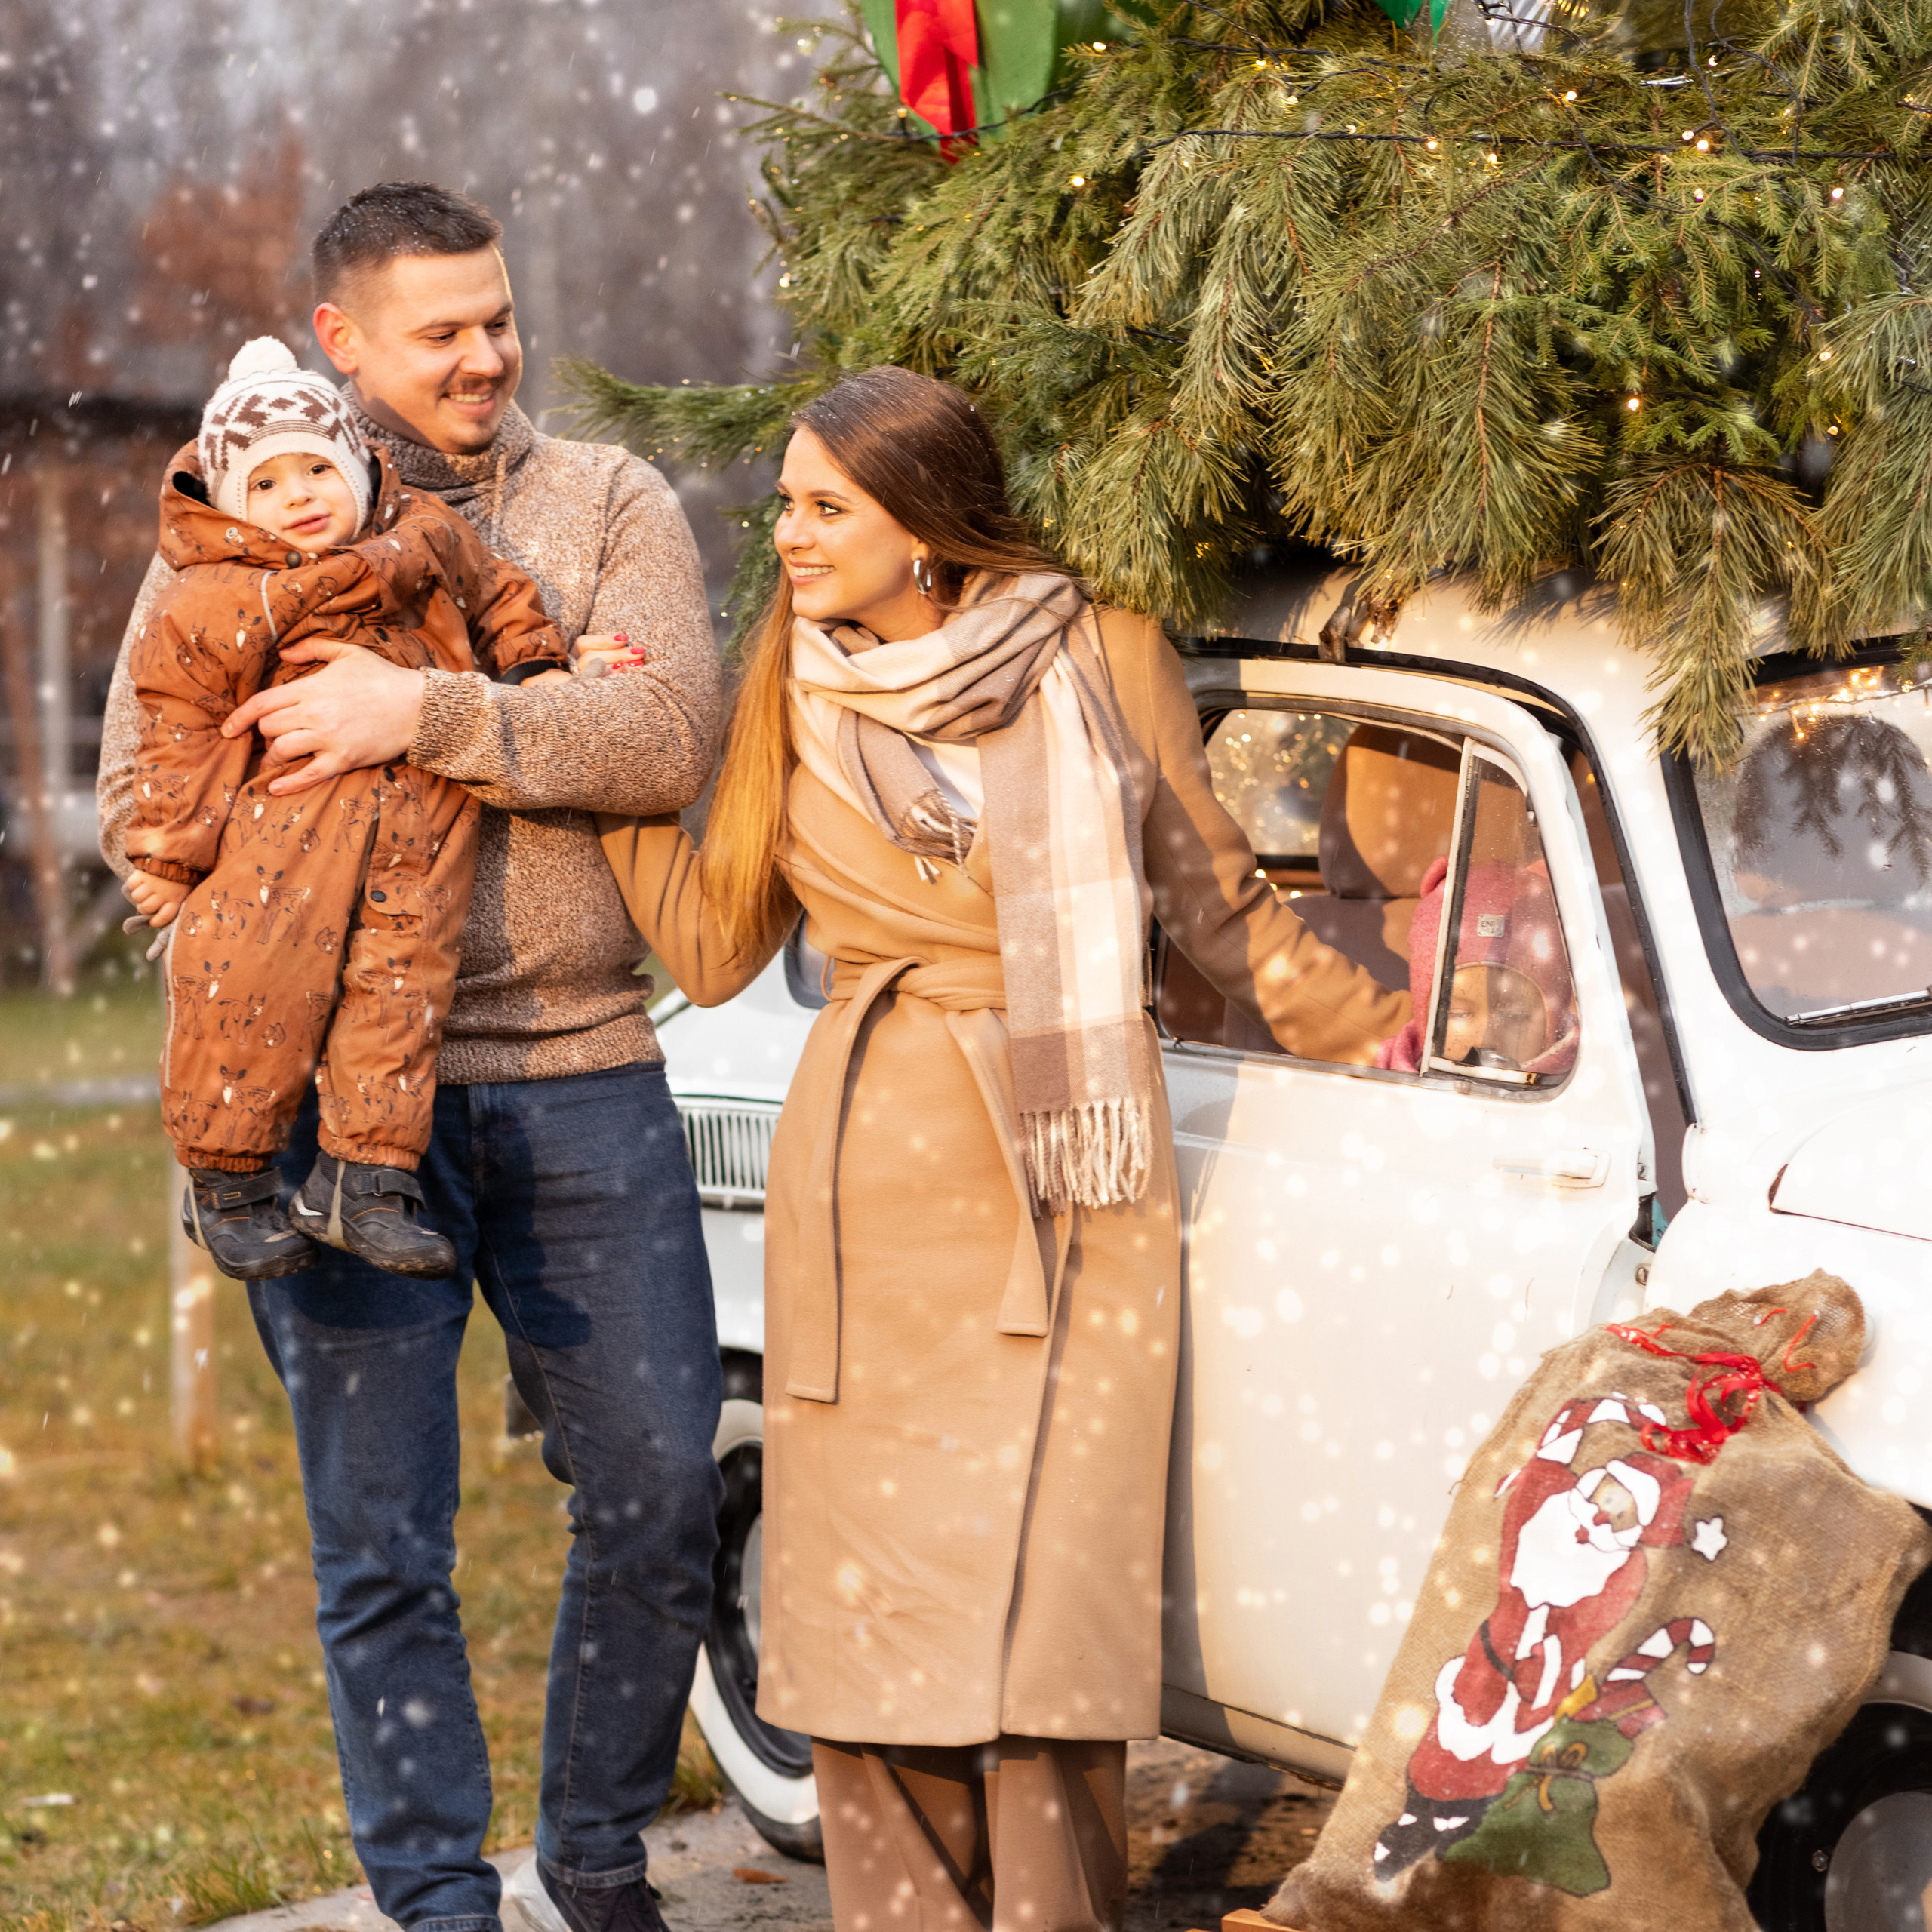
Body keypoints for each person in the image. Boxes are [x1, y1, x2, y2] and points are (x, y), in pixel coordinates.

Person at [594, 365, 1410, 1932]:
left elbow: (1219, 909)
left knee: (1051, 1630)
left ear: (926, 525)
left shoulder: (1098, 655)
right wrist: (608, 775)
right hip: (868, 1177)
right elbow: (707, 945)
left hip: (1069, 1176)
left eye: (824, 506)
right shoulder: (789, 679)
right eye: (783, 502)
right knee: (867, 1620)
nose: (787, 535)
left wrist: (1388, 1035)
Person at [97, 183, 721, 1932]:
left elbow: (663, 731)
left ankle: (596, 1853)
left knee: (661, 1481)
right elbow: (145, 791)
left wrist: (417, 713)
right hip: (327, 1111)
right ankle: (438, 1899)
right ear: (342, 341)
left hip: (580, 1066)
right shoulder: (235, 525)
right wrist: (239, 924)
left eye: (498, 316)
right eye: (441, 327)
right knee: (384, 1544)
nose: (485, 352)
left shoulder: (604, 503)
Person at [127, 335, 573, 1280]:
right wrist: (169, 854)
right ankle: (227, 1180)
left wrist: (536, 661)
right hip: (279, 838)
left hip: (423, 826)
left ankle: (364, 1181)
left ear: (357, 469)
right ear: (231, 505)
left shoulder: (425, 537)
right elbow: (182, 733)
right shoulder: (217, 596)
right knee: (250, 992)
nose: (300, 496)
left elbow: (499, 595)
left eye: (318, 468)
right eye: (269, 483)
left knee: (401, 994)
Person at [1374, 855, 1580, 1079]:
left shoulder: (1587, 1081)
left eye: (1515, 1016)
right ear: (1427, 1019)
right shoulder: (1385, 1087)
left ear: (1555, 1024)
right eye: (1459, 1014)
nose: (1484, 1040)